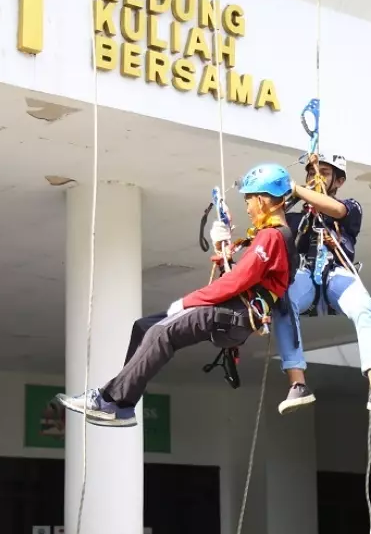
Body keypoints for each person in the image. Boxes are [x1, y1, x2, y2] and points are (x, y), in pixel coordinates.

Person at [55, 163, 299, 427]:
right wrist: (225, 250)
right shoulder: (269, 237)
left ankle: (109, 401)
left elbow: (238, 281)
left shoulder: (272, 237)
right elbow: (243, 275)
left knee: (161, 333)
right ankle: (122, 405)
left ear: (262, 200)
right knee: (144, 327)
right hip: (231, 312)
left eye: (249, 200)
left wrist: (186, 302)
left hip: (234, 314)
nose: (248, 207)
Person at [270, 153, 371, 416]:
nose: (315, 178)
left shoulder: (351, 208)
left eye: (324, 173)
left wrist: (299, 189)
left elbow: (335, 209)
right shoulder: (297, 219)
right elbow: (272, 219)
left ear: (339, 181)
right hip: (306, 275)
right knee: (283, 303)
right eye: (311, 173)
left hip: (337, 274)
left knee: (365, 307)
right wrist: (292, 196)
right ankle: (298, 384)